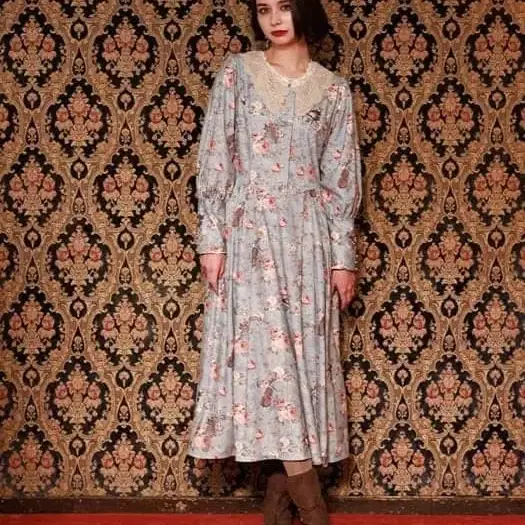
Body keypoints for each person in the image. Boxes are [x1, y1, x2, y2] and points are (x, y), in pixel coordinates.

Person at [188, 0, 362, 522]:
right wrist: (212, 240)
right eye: (264, 9)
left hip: (309, 241)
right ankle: (312, 505)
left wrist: (342, 257)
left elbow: (340, 178)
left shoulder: (333, 90)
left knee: (303, 365)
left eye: (285, 6)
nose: (275, 19)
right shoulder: (237, 74)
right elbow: (215, 157)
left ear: (304, 10)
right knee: (270, 363)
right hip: (249, 237)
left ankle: (278, 494)